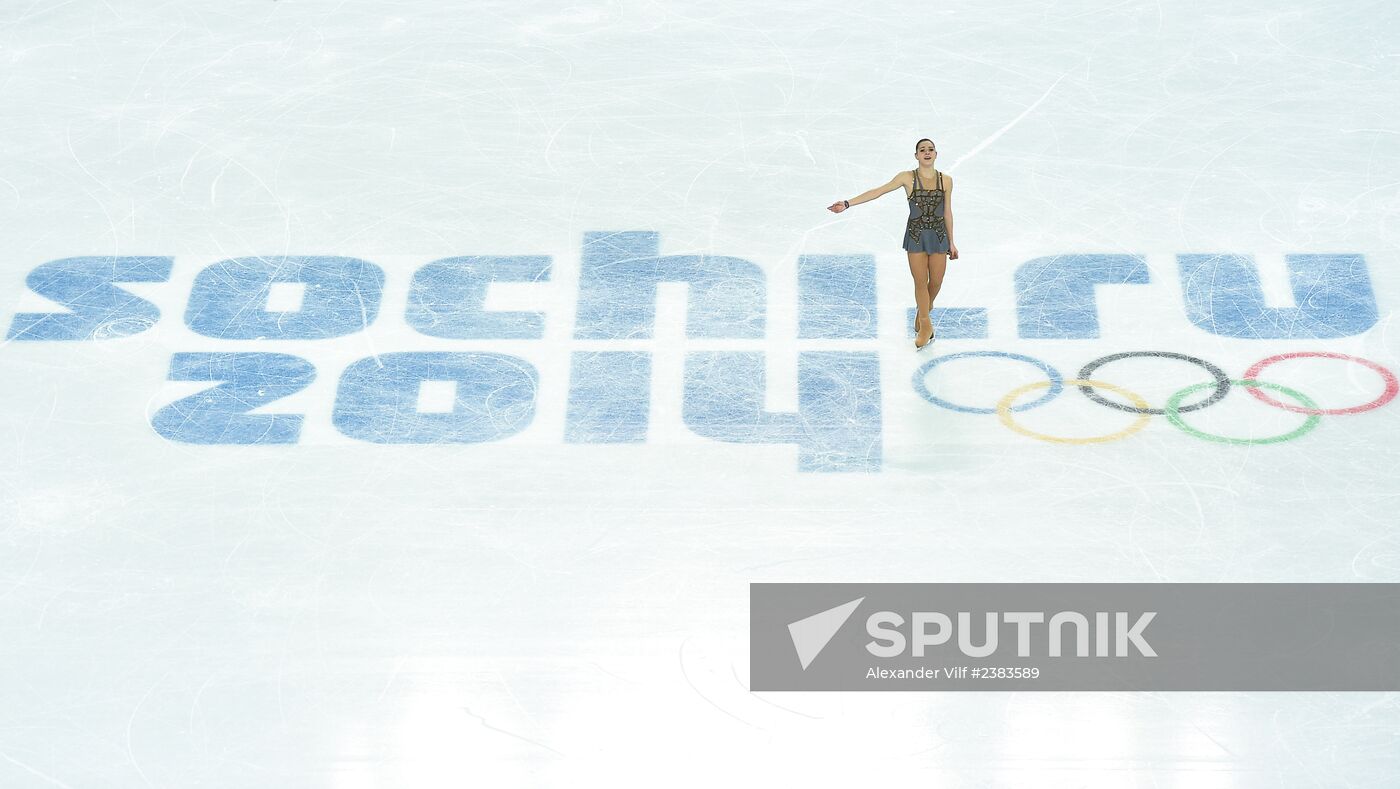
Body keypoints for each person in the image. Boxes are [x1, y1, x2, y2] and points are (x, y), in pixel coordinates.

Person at [828, 138, 958, 349]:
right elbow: (878, 191)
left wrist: (952, 241)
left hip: (939, 236)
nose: (927, 152)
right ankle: (925, 325)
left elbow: (947, 211)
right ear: (916, 155)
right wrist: (847, 203)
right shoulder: (907, 178)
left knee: (935, 282)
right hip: (916, 235)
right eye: (922, 150)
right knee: (919, 281)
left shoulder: (947, 181)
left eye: (930, 149)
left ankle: (923, 310)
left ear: (936, 154)